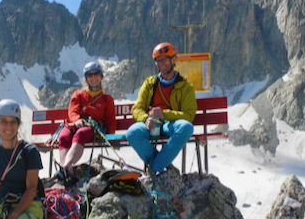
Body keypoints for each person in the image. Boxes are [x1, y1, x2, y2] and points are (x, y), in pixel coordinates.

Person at [126, 42, 197, 173]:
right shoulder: (149, 84)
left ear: (173, 59)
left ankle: (154, 168)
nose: (160, 64)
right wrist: (145, 118)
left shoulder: (186, 87)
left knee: (186, 128)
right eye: (157, 61)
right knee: (132, 133)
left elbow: (189, 115)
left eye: (163, 60)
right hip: (151, 123)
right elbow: (136, 109)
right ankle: (164, 165)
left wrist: (164, 114)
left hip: (170, 123)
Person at [51, 61, 116, 186]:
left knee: (80, 134)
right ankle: (67, 172)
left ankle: (65, 168)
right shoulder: (78, 94)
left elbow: (110, 120)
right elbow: (73, 111)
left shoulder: (107, 99)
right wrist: (76, 120)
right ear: (86, 79)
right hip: (75, 123)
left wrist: (109, 135)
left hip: (92, 127)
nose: (93, 77)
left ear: (101, 76)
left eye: (96, 74)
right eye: (89, 75)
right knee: (63, 135)